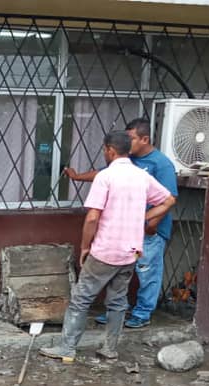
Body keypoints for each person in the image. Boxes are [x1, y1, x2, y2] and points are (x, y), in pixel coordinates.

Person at [41, 132, 175, 362]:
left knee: (81, 299)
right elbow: (169, 200)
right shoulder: (141, 176)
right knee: (118, 302)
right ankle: (109, 349)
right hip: (131, 251)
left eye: (105, 150)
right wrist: (143, 219)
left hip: (105, 250)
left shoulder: (106, 177)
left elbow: (93, 217)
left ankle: (67, 348)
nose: (104, 153)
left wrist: (85, 247)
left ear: (110, 150)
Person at [64, 117, 179, 328]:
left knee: (147, 271)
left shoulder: (161, 164)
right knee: (122, 274)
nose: (127, 142)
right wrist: (78, 177)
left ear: (144, 139)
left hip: (149, 232)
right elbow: (103, 174)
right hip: (127, 233)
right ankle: (116, 313)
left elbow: (169, 198)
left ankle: (142, 313)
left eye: (131, 138)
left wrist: (150, 224)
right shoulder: (128, 160)